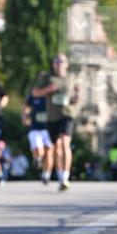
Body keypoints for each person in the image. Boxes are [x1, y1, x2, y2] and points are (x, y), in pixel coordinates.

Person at [32, 54, 80, 191]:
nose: (59, 64)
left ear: (67, 64)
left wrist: (77, 96)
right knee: (56, 148)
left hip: (67, 114)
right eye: (56, 61)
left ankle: (65, 177)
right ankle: (60, 175)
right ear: (53, 64)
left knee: (64, 142)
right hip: (52, 117)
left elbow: (75, 98)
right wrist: (48, 89)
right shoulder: (47, 78)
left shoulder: (71, 78)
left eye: (61, 61)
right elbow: (35, 93)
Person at [22, 72, 53, 184]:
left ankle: (46, 175)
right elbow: (26, 106)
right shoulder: (34, 93)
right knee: (39, 150)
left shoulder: (51, 94)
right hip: (35, 127)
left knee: (49, 151)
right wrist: (25, 117)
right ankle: (38, 159)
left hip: (49, 127)